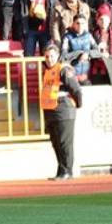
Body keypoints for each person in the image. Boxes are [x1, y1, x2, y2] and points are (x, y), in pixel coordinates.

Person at [41, 43, 82, 180]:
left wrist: (78, 105)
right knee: (56, 142)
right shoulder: (46, 70)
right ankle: (61, 170)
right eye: (47, 56)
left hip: (64, 109)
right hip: (50, 110)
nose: (49, 59)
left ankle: (67, 171)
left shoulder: (63, 69)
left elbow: (76, 89)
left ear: (57, 56)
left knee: (65, 142)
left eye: (52, 56)